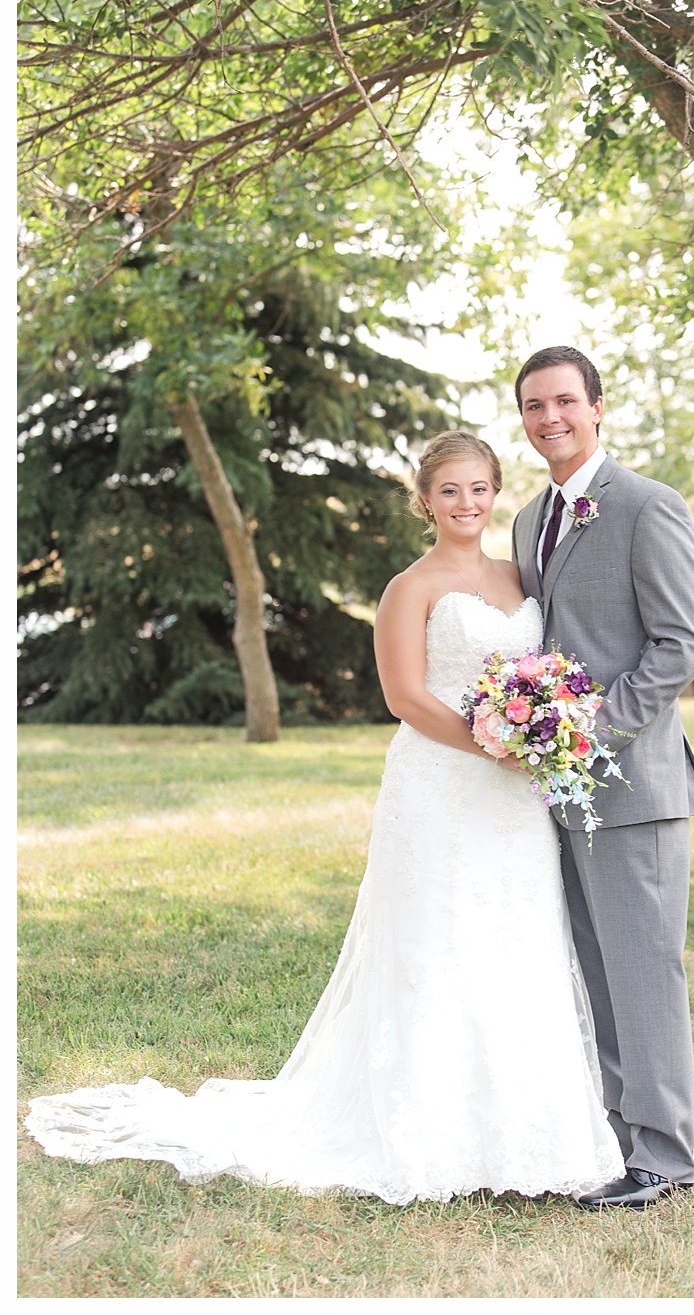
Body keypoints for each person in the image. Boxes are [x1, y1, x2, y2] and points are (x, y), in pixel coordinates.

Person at [28, 431, 635, 1204]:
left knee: (517, 936)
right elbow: (407, 699)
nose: (467, 503)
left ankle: (531, 1133)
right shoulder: (408, 587)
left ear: (495, 491)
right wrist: (497, 746)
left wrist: (535, 734)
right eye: (450, 491)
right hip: (444, 785)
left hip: (512, 801)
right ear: (425, 501)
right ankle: (434, 1138)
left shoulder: (521, 576)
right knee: (438, 941)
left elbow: (539, 670)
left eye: (480, 488)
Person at [508, 345, 694, 1210]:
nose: (549, 418)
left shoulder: (645, 506)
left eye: (563, 401)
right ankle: (624, 1140)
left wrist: (596, 726)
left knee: (643, 971)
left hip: (632, 784)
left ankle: (667, 1157)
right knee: (596, 973)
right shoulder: (528, 521)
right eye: (532, 407)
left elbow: (684, 644)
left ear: (597, 407)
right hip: (554, 791)